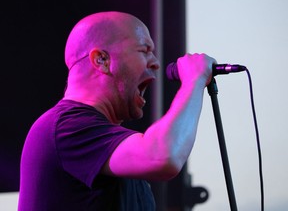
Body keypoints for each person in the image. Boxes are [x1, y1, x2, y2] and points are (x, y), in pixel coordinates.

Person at [18, 11, 216, 211]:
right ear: (102, 60)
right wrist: (194, 80)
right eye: (144, 50)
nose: (156, 62)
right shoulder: (65, 127)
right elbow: (163, 156)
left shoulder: (113, 152)